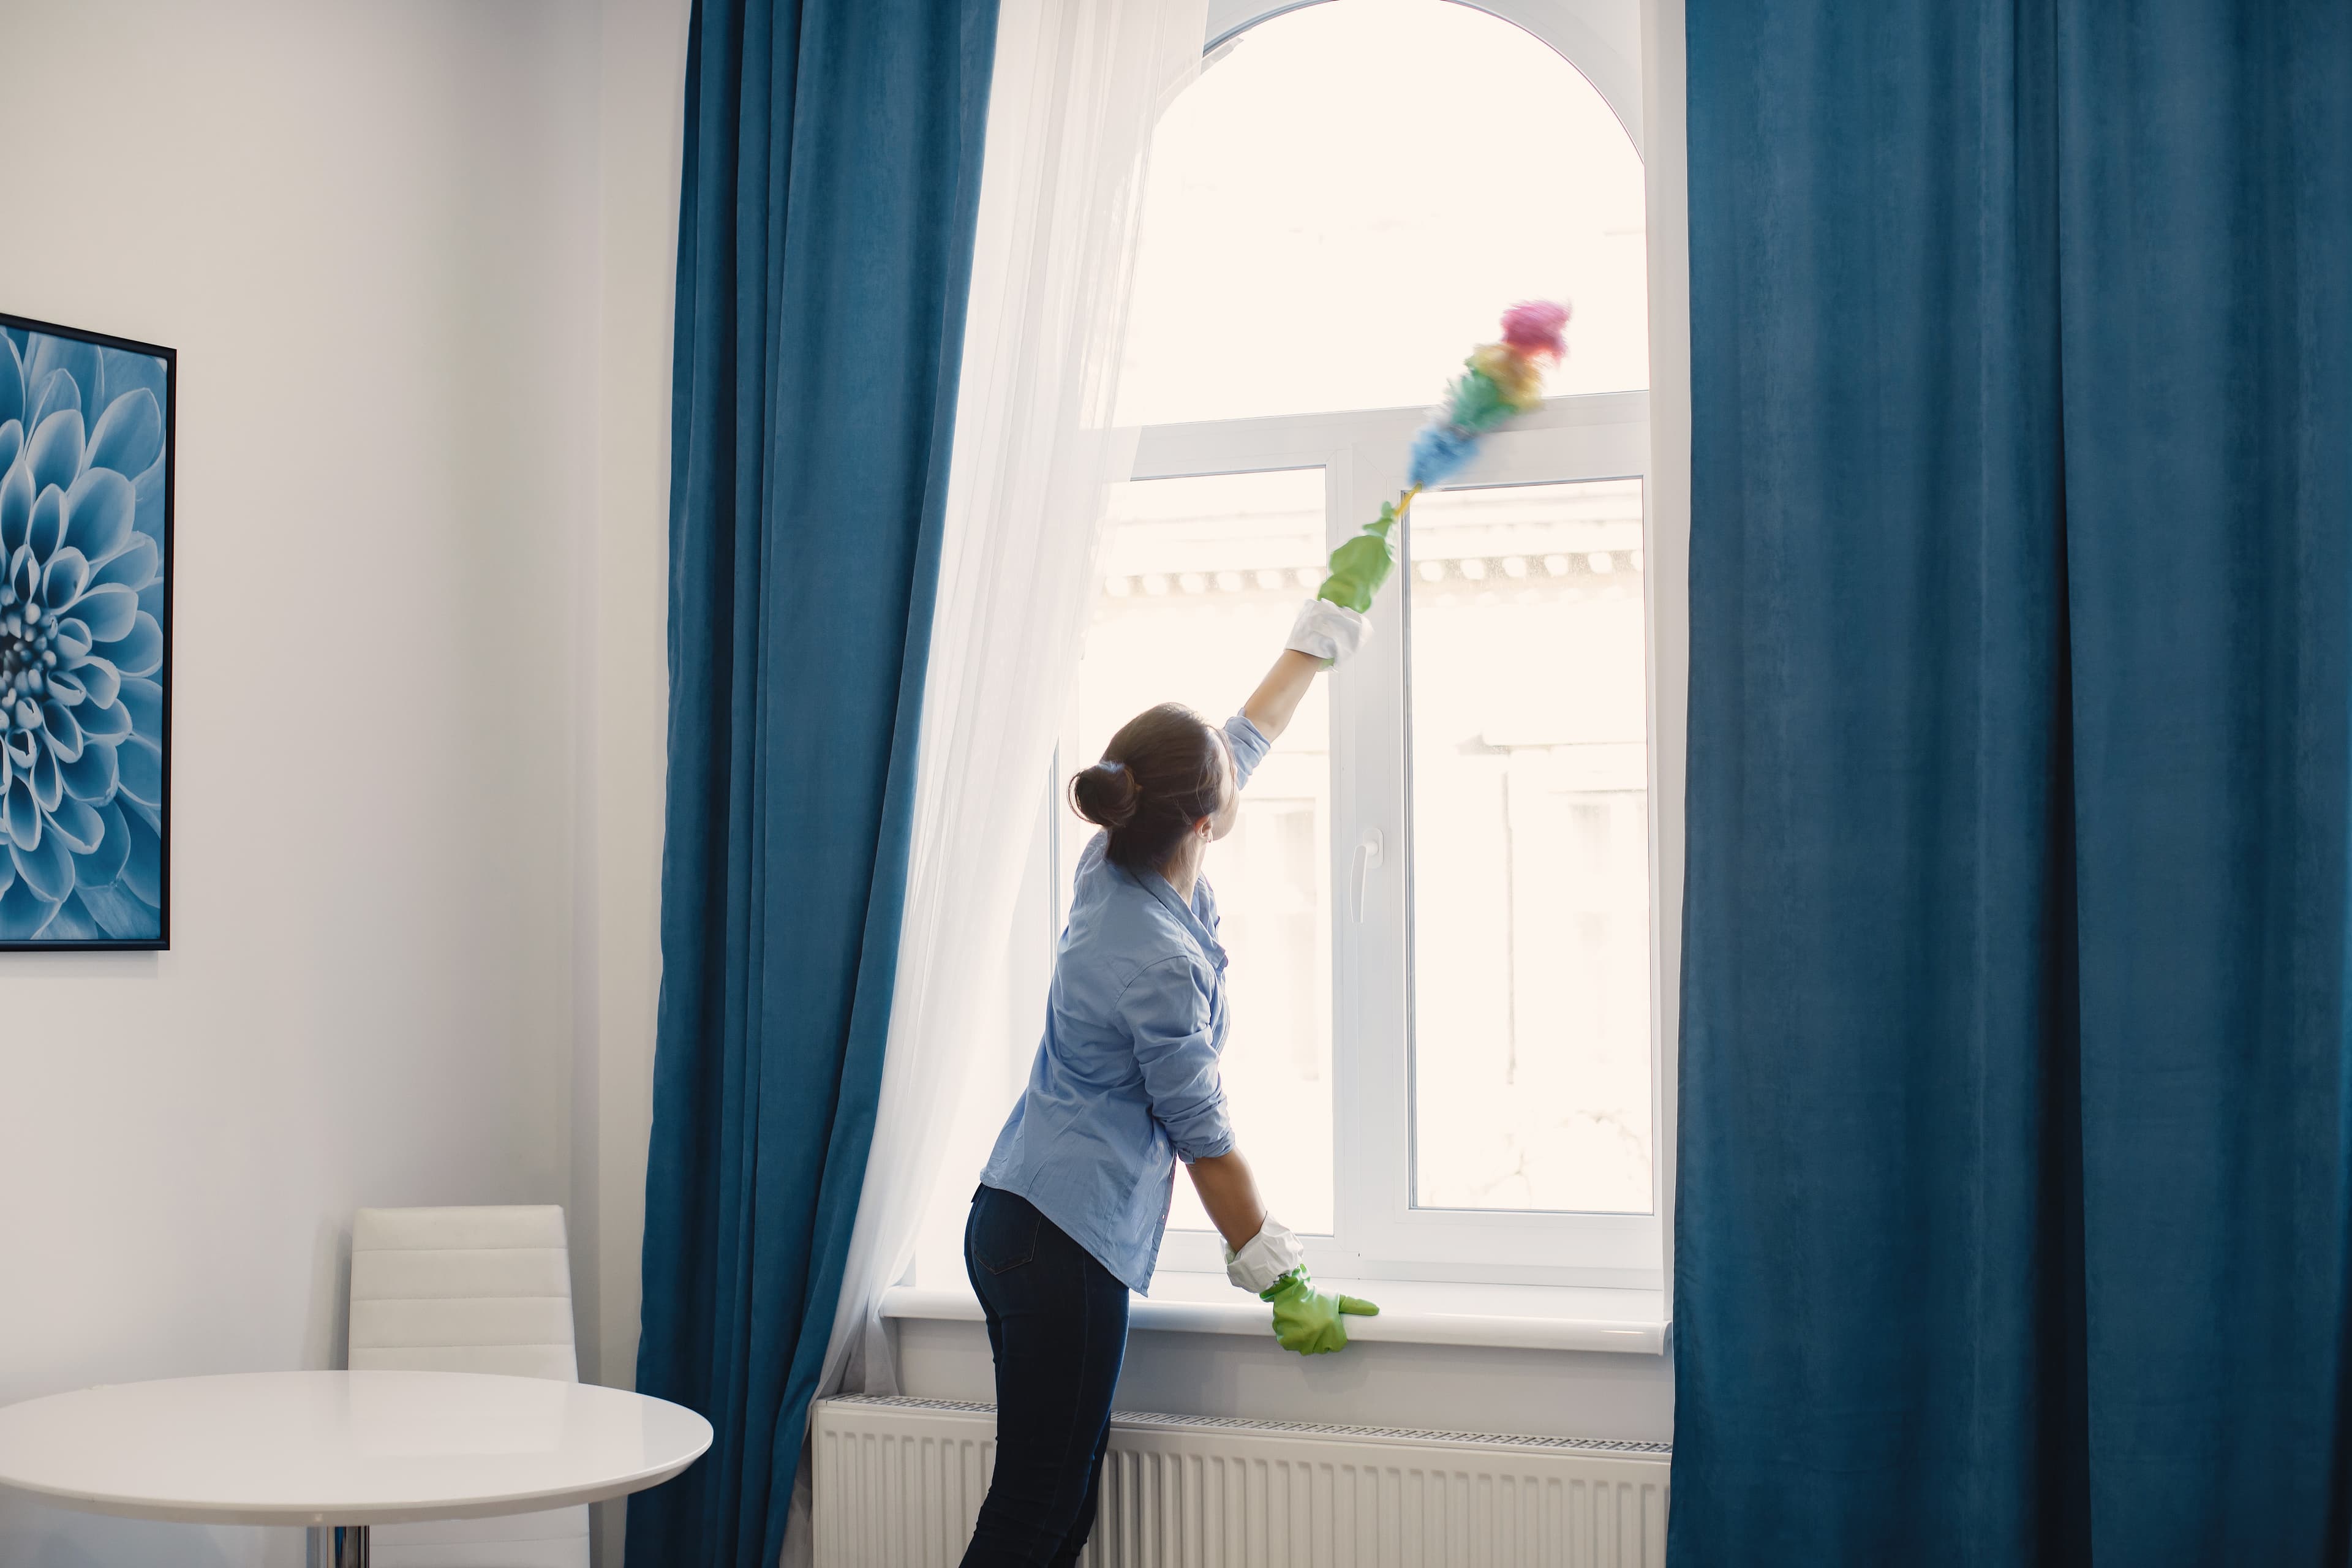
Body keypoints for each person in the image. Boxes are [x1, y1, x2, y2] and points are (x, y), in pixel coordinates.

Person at [957, 597, 1382, 1567]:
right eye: (1226, 782)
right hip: (1057, 1243)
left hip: (1025, 1220)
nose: (1242, 773)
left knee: (1058, 1511)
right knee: (1035, 1512)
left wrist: (1326, 625)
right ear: (1203, 816)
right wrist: (1282, 1274)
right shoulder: (1149, 954)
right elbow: (1202, 1131)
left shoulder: (1115, 858)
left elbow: (1248, 733)